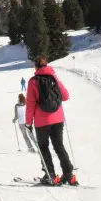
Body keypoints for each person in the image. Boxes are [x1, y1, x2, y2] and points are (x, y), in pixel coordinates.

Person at [25, 56, 77, 186]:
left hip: (42, 122)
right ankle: (69, 175)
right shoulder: (54, 78)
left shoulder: (33, 82)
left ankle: (51, 175)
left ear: (36, 67)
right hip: (58, 119)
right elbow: (65, 96)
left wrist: (28, 123)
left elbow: (30, 104)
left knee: (43, 147)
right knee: (59, 146)